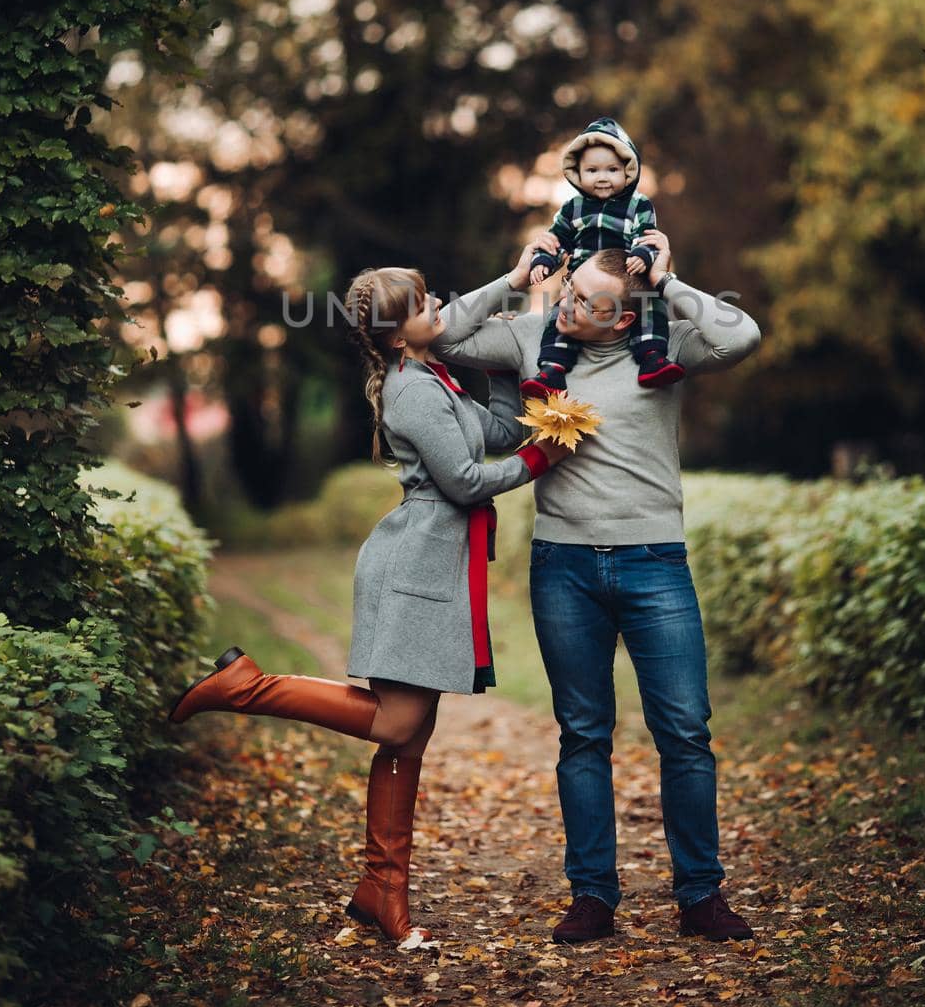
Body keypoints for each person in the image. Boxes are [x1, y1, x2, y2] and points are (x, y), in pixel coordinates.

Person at [167, 265, 568, 947]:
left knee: (408, 738)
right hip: (414, 567)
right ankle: (248, 687)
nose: (436, 304)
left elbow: (498, 431)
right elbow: (467, 481)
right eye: (421, 303)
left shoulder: (435, 377)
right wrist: (541, 462)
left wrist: (510, 362)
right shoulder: (413, 393)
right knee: (396, 722)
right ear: (393, 334)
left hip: (437, 566)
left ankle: (382, 891)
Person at [437, 235, 762, 945]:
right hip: (564, 568)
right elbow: (446, 335)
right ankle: (591, 896)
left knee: (684, 733)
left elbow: (743, 337)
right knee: (583, 735)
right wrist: (515, 277)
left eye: (584, 300)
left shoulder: (663, 348)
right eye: (567, 288)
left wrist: (669, 281)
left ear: (621, 319)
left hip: (655, 565)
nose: (565, 302)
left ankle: (700, 895)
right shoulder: (532, 334)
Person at [521, 115, 683, 396]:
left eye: (612, 169)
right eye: (592, 170)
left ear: (628, 171)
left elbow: (647, 236)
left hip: (629, 275)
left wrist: (643, 255)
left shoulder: (638, 205)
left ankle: (652, 358)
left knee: (649, 306)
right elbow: (558, 241)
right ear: (577, 173)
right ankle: (553, 369)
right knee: (560, 315)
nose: (603, 177)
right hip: (583, 281)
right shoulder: (572, 208)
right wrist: (543, 263)